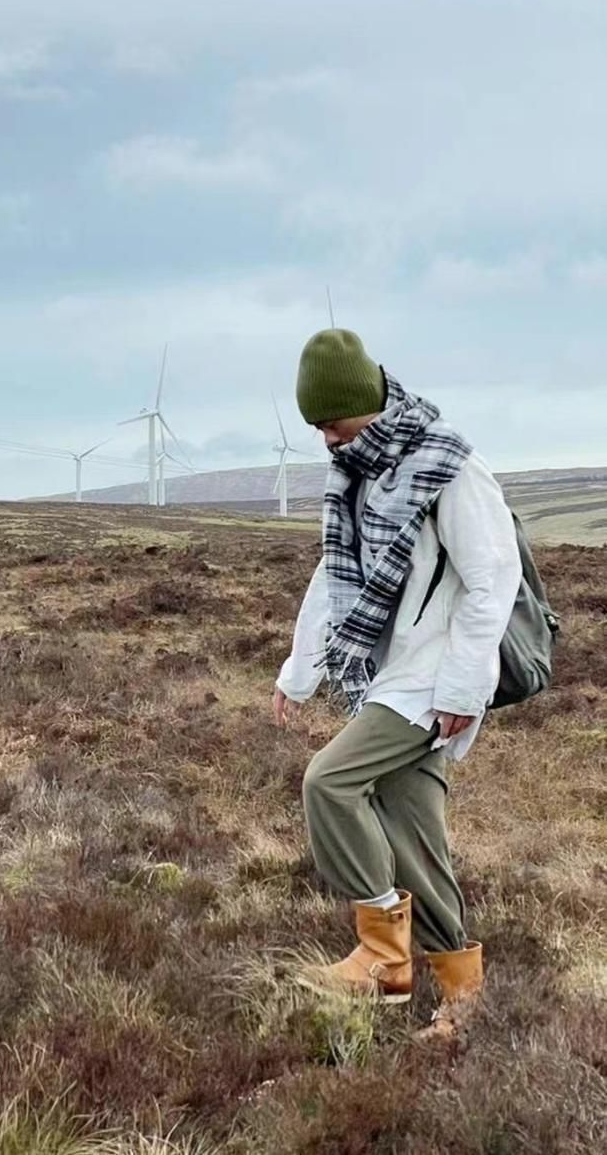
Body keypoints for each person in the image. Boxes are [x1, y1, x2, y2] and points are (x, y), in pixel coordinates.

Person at [274, 329, 521, 1044]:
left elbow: (492, 580)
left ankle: (383, 954)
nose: (325, 439)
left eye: (332, 422)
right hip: (389, 675)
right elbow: (333, 575)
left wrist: (461, 689)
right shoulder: (356, 474)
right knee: (418, 842)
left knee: (329, 782)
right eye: (316, 426)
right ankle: (461, 1000)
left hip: (431, 681)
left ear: (367, 403)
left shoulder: (449, 466)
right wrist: (299, 670)